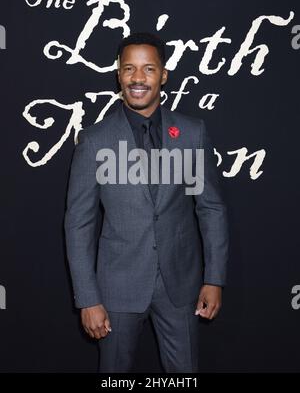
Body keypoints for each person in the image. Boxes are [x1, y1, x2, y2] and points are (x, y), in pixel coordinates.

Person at [64, 32, 229, 373]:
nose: (138, 78)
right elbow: (78, 222)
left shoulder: (191, 134)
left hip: (180, 287)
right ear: (119, 75)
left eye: (149, 69)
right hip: (116, 289)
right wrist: (88, 298)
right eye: (129, 69)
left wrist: (214, 279)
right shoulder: (95, 141)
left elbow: (210, 209)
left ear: (163, 75)